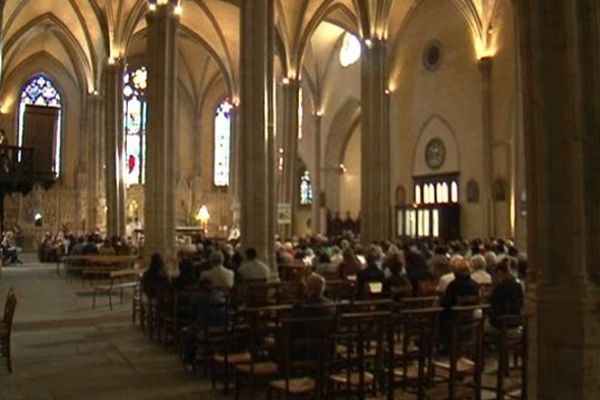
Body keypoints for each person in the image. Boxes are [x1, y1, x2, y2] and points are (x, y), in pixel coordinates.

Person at [182, 278, 228, 367]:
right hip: (224, 330)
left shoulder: (196, 297)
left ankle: (189, 360)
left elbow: (191, 315)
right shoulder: (221, 295)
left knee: (190, 334)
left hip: (205, 329)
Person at [488, 258, 524, 330]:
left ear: (500, 273)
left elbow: (491, 304)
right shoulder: (518, 285)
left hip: (501, 323)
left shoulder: (501, 287)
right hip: (517, 321)